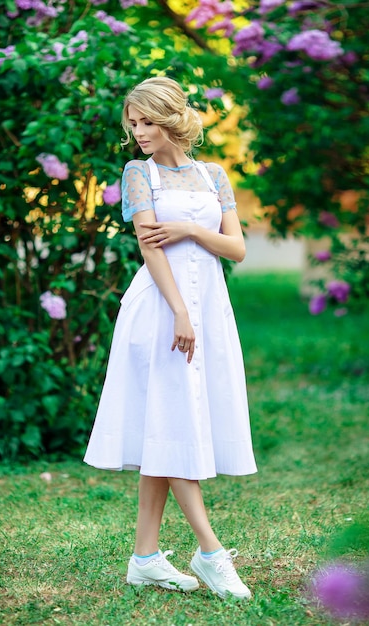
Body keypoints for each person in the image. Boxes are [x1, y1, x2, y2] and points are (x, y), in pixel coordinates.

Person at [83, 76, 257, 599]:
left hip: (210, 310)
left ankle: (145, 559)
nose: (139, 132)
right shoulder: (138, 174)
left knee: (167, 422)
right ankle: (210, 553)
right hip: (162, 311)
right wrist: (180, 312)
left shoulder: (213, 174)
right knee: (174, 421)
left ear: (172, 119)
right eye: (133, 123)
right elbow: (149, 248)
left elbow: (237, 249)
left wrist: (191, 230)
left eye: (148, 121)